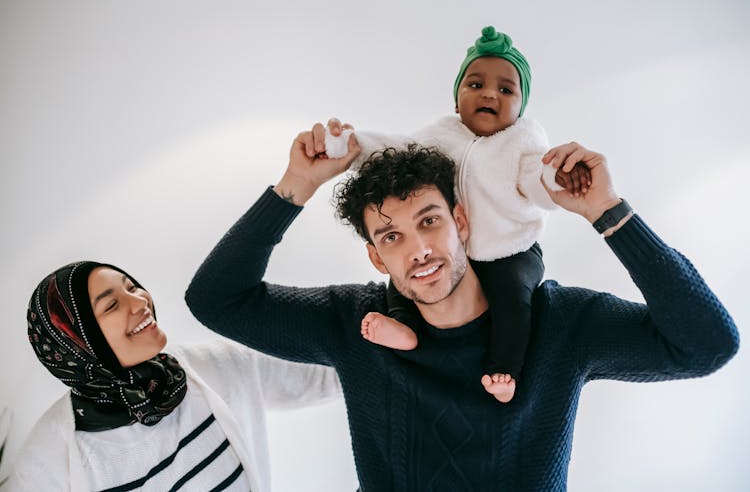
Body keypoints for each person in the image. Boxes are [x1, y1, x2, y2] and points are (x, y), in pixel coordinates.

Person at [184, 129, 738, 490]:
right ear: (376, 257)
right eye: (392, 236)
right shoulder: (354, 323)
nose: (419, 250)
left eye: (429, 221)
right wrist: (295, 185)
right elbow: (215, 299)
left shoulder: (558, 322)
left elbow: (708, 345)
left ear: (462, 223)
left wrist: (607, 212)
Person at [327, 26, 591, 402]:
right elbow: (392, 149)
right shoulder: (441, 134)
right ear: (456, 100)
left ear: (521, 108)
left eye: (505, 89)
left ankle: (505, 368)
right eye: (475, 84)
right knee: (403, 281)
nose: (488, 93)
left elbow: (537, 180)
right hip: (454, 252)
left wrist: (557, 178)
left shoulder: (522, 144)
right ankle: (403, 327)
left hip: (508, 252)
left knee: (514, 302)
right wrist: (350, 147)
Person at [8, 261, 341, 492]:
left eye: (132, 286)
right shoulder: (49, 458)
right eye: (111, 306)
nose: (139, 301)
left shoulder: (207, 367)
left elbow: (327, 374)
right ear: (76, 343)